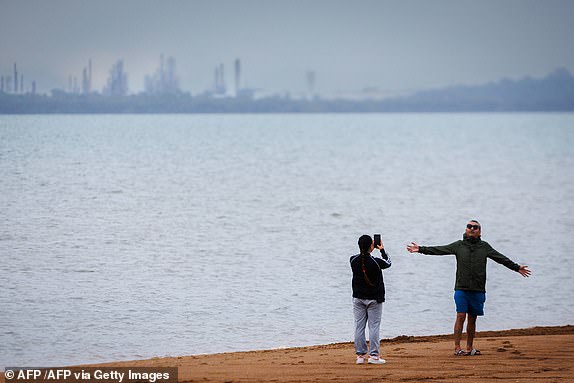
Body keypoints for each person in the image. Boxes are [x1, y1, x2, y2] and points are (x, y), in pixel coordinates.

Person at [406, 220, 531, 356]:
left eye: (475, 227)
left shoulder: (485, 247)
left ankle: (469, 348)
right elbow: (440, 250)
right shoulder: (458, 246)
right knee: (461, 315)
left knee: (472, 318)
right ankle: (457, 348)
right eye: (469, 226)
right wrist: (421, 249)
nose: (472, 229)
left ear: (480, 231)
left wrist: (516, 268)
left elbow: (500, 258)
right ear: (466, 229)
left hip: (478, 289)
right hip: (461, 288)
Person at [350, 234, 392, 365]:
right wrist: (382, 249)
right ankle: (374, 356)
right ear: (371, 246)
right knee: (373, 327)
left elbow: (362, 259)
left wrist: (371, 248)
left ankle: (360, 356)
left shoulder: (352, 260)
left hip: (358, 298)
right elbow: (388, 262)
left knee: (359, 326)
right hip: (374, 298)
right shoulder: (376, 262)